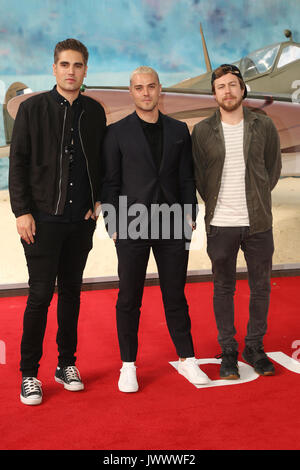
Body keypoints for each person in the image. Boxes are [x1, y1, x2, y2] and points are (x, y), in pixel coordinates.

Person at [9, 38, 106, 405]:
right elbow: (17, 163)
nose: (71, 71)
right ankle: (29, 373)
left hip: (80, 222)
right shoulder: (32, 109)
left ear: (85, 70)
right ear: (54, 68)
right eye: (65, 65)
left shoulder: (94, 112)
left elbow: (101, 161)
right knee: (39, 295)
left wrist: (98, 200)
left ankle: (66, 364)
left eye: (78, 65)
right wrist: (22, 211)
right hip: (41, 221)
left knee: (71, 293)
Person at [101, 66, 208, 392]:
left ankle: (188, 359)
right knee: (129, 297)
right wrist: (112, 224)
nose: (145, 92)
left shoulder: (179, 130)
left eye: (151, 86)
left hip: (174, 222)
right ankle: (128, 366)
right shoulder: (116, 132)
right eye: (138, 87)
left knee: (175, 295)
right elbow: (110, 182)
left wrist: (190, 214)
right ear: (131, 92)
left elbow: (187, 176)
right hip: (131, 222)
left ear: (160, 89)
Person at [191, 64, 282, 379]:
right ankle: (228, 349)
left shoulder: (263, 125)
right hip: (221, 224)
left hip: (258, 223)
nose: (227, 91)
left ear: (243, 89)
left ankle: (254, 346)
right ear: (214, 94)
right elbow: (200, 177)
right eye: (221, 87)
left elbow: (271, 168)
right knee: (223, 287)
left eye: (233, 85)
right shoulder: (202, 131)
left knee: (260, 287)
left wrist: (256, 199)